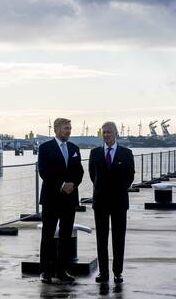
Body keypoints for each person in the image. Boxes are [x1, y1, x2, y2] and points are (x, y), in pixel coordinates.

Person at [37, 117, 84, 284]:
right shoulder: (45, 148)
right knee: (48, 235)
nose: (69, 131)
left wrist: (72, 184)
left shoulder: (74, 148)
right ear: (56, 129)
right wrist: (61, 185)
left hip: (69, 198)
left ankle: (62, 270)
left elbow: (79, 171)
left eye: (70, 128)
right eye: (66, 128)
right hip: (51, 198)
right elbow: (44, 171)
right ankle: (45, 271)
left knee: (65, 235)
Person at [89, 121, 135, 284]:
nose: (106, 135)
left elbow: (130, 176)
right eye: (104, 132)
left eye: (109, 132)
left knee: (118, 237)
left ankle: (117, 272)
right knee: (101, 238)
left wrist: (119, 188)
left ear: (115, 133)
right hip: (100, 201)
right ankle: (103, 273)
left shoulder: (126, 153)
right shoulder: (95, 153)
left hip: (119, 201)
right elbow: (92, 174)